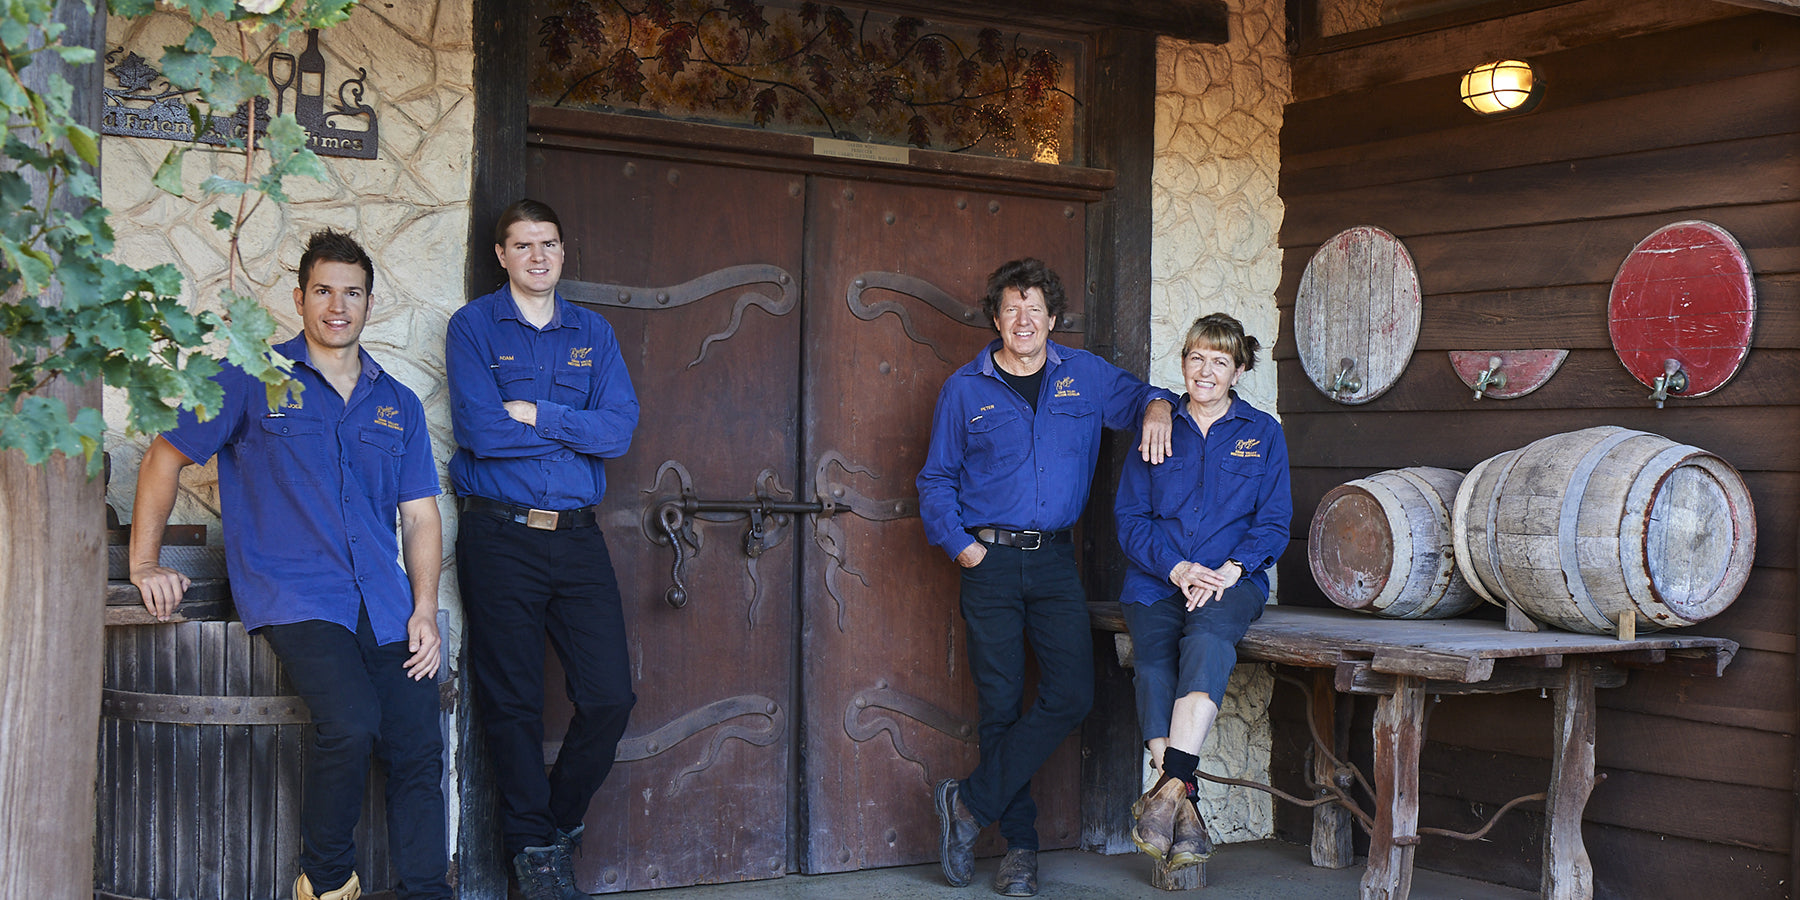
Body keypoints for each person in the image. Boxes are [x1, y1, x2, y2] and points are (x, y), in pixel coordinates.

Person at [129, 229, 448, 900]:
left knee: (419, 747)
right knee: (353, 722)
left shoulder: (399, 404)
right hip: (297, 595)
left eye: (352, 293)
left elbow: (419, 515)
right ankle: (326, 884)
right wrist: (143, 561)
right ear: (300, 299)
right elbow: (164, 455)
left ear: (369, 303)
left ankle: (427, 892)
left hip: (386, 603)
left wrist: (424, 608)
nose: (339, 306)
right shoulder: (249, 377)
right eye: (325, 291)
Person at [916, 257, 1176, 897]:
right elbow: (935, 481)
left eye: (1036, 309)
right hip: (990, 562)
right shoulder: (964, 389)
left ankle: (968, 804)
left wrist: (1160, 409)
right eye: (1012, 309)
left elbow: (1145, 394)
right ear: (996, 319)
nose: (1024, 320)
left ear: (1053, 318)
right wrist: (961, 547)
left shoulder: (1083, 375)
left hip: (1056, 561)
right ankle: (1021, 851)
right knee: (1000, 705)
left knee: (1072, 694)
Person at [445, 199, 639, 900]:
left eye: (548, 243)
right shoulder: (473, 327)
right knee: (514, 701)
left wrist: (538, 413)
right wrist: (572, 428)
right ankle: (533, 852)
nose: (537, 256)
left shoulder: (594, 331)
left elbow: (618, 433)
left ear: (562, 251)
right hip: (499, 536)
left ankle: (551, 829)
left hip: (577, 536)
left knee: (610, 696)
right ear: (501, 255)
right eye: (522, 245)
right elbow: (480, 431)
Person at [1114, 313, 1291, 870]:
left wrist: (1230, 570)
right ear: (1184, 362)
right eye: (1196, 358)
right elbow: (1130, 519)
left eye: (1220, 361)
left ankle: (1164, 792)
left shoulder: (1263, 433)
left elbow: (1275, 522)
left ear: (1238, 370)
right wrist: (1177, 568)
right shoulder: (1157, 427)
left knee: (1210, 640)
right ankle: (1183, 807)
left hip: (1230, 581)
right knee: (1154, 662)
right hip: (1156, 579)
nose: (1206, 371)